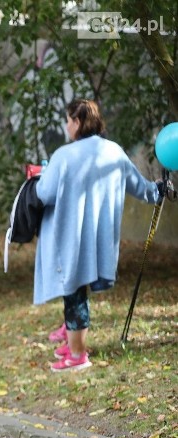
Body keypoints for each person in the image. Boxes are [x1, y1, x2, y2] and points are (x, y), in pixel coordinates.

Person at [35, 99, 162, 372]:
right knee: (77, 291)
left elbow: (44, 193)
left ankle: (78, 355)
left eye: (69, 121)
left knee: (73, 293)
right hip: (101, 240)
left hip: (71, 236)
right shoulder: (114, 151)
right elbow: (142, 189)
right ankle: (72, 342)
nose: (67, 126)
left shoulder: (63, 156)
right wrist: (160, 190)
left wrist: (39, 178)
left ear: (78, 122)